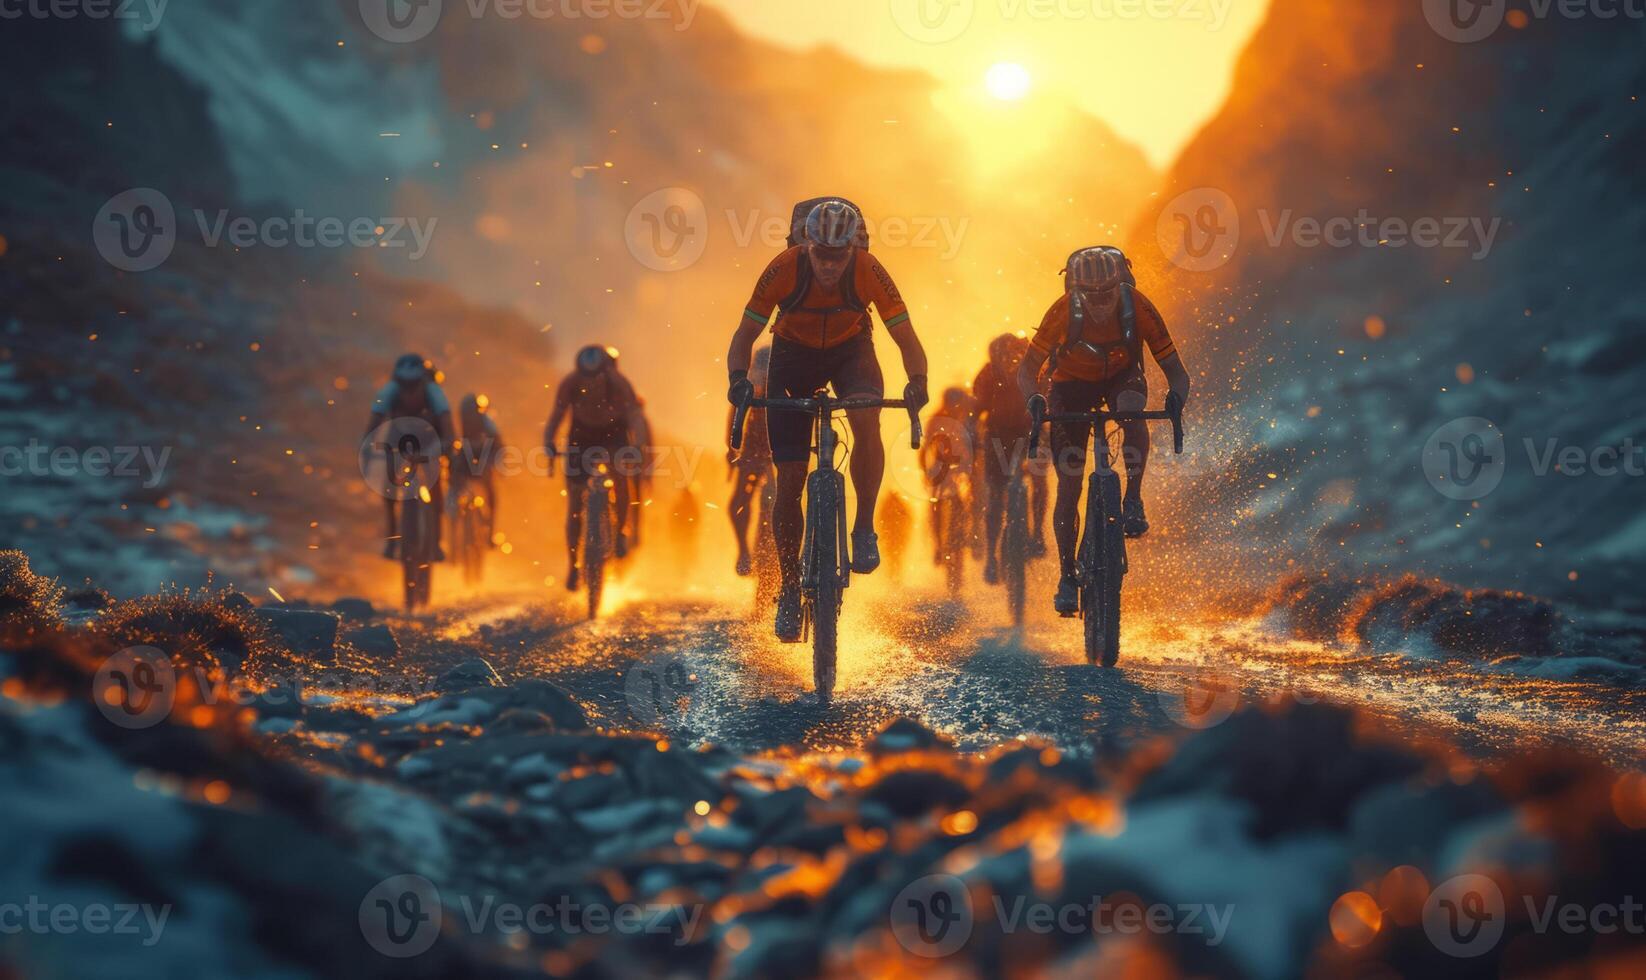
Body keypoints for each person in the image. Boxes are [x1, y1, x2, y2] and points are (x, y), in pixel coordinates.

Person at [725, 199, 929, 641]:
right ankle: (788, 586)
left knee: (866, 418)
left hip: (850, 352)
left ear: (854, 248)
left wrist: (918, 381)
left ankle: (863, 528)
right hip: (791, 358)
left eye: (840, 256)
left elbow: (905, 336)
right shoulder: (783, 267)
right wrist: (738, 379)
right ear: (807, 244)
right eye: (823, 255)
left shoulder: (869, 269)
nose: (832, 266)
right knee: (791, 476)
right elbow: (745, 334)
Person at [1018, 247, 1190, 615]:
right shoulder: (1062, 310)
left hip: (1121, 378)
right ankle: (1066, 574)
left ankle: (1133, 499)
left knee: (1131, 410)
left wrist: (1177, 398)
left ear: (1121, 285)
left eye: (1107, 294)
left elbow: (1175, 369)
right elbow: (1028, 368)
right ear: (1075, 291)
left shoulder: (1139, 306)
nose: (1098, 302)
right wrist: (1033, 398)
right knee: (1069, 484)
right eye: (1089, 295)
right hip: (1069, 386)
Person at [544, 344, 646, 591]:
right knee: (575, 503)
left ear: (606, 373)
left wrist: (638, 447)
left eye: (596, 380)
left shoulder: (619, 384)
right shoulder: (569, 383)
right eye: (585, 381)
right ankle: (573, 565)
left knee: (621, 478)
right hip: (582, 435)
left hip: (614, 433)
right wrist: (548, 441)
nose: (590, 386)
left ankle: (621, 531)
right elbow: (556, 416)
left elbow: (636, 418)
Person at [973, 334, 1049, 584]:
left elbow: (1050, 398)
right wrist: (971, 433)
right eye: (1004, 355)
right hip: (1000, 437)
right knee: (996, 494)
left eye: (1014, 354)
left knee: (1037, 478)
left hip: (1028, 434)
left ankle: (1036, 534)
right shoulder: (988, 375)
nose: (1009, 360)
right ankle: (993, 556)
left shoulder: (1035, 371)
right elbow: (977, 408)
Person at [366, 353, 456, 560]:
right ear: (397, 382)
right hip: (399, 438)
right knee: (388, 485)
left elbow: (448, 425)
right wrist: (368, 449)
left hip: (430, 438)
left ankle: (436, 542)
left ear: (422, 381)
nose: (408, 392)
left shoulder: (434, 392)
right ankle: (392, 539)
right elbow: (373, 425)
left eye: (413, 386)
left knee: (435, 484)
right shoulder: (389, 391)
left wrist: (447, 446)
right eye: (403, 386)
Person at [726, 346, 773, 576]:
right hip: (754, 446)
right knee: (737, 503)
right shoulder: (751, 388)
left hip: (779, 447)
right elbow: (735, 409)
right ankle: (744, 551)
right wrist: (732, 448)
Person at [919, 386, 976, 567]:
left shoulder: (965, 419)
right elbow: (926, 448)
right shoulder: (937, 419)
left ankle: (966, 533)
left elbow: (971, 447)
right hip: (940, 469)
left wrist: (969, 470)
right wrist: (925, 470)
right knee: (936, 502)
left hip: (958, 466)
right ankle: (938, 544)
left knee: (963, 503)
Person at [455, 393, 502, 549]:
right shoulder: (457, 423)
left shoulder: (487, 423)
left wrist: (494, 464)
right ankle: (454, 526)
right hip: (465, 459)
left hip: (484, 458)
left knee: (490, 494)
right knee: (455, 487)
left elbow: (498, 446)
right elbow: (452, 443)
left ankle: (489, 533)